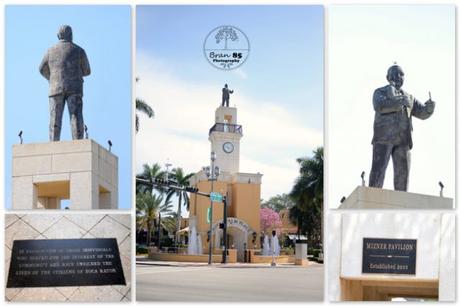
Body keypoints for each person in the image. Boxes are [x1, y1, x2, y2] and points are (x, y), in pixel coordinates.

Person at [369, 65, 435, 191]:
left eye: (401, 74)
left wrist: (429, 109)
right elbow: (379, 105)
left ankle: (401, 208)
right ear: (388, 77)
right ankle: (371, 204)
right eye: (395, 73)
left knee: (402, 181)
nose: (399, 77)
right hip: (383, 138)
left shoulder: (409, 98)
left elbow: (421, 112)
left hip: (403, 140)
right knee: (378, 173)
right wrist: (399, 102)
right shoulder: (380, 92)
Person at [39, 25, 91, 141]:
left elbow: (42, 69)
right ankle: (78, 143)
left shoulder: (50, 51)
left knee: (55, 118)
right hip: (74, 88)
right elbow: (87, 70)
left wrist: (51, 78)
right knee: (76, 116)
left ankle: (53, 142)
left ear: (58, 36)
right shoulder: (79, 50)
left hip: (55, 88)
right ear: (71, 35)